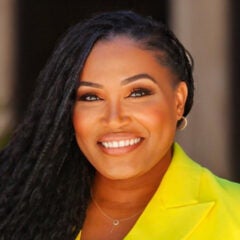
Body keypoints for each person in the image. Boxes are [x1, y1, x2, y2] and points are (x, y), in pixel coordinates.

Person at [0, 10, 240, 240]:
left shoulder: (234, 214)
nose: (114, 119)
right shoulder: (17, 210)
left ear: (178, 101)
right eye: (91, 97)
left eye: (137, 93)